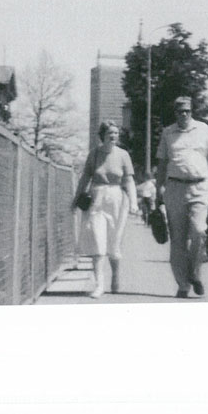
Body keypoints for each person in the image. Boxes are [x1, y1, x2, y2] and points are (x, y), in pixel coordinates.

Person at [154, 95, 208, 298]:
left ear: (191, 111)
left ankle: (195, 272)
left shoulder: (203, 129)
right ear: (175, 113)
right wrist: (158, 190)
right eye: (180, 111)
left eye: (187, 111)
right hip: (175, 188)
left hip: (200, 186)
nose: (184, 114)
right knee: (177, 239)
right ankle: (183, 285)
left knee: (199, 230)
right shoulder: (168, 133)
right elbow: (162, 164)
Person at [73, 120, 137, 298]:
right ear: (103, 135)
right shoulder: (94, 154)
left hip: (117, 199)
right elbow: (85, 178)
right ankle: (99, 284)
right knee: (97, 241)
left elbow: (129, 180)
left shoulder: (123, 155)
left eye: (116, 133)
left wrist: (134, 202)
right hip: (96, 198)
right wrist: (76, 199)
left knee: (114, 243)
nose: (113, 136)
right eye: (110, 133)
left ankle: (115, 276)